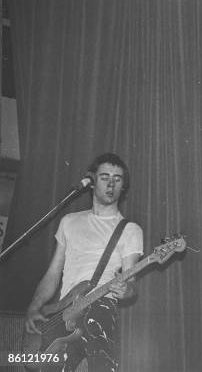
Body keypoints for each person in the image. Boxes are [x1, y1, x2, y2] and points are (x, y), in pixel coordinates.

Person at [25, 153, 144, 372]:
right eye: (105, 176)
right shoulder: (69, 222)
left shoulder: (129, 230)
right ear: (91, 181)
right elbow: (53, 274)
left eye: (117, 179)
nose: (111, 183)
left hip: (100, 309)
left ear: (123, 186)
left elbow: (132, 285)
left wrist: (125, 289)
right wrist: (34, 306)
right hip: (63, 313)